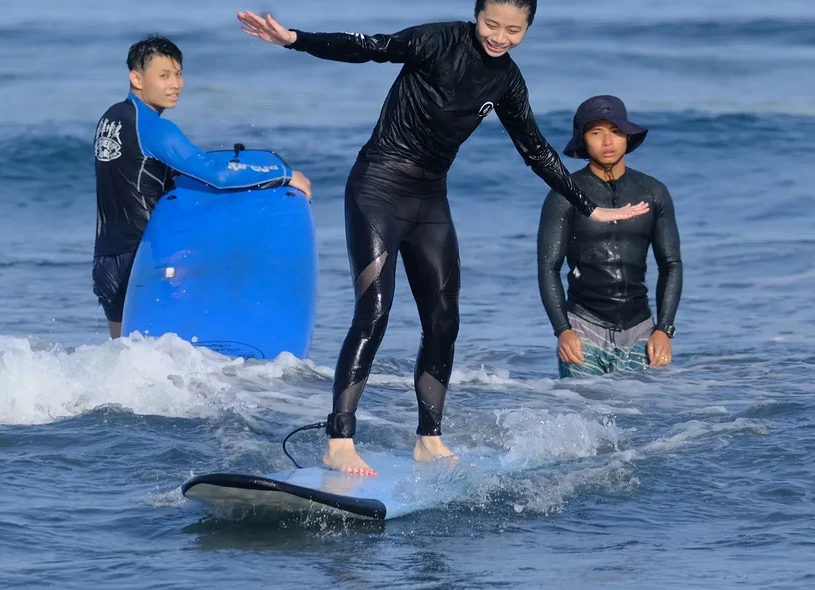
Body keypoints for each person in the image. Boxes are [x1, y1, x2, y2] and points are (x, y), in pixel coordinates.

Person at [237, 1, 651, 476]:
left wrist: (589, 205)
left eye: (513, 30)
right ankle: (339, 439)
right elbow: (372, 47)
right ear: (476, 14)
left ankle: (429, 439)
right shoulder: (437, 41)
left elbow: (535, 149)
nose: (499, 36)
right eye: (491, 24)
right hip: (378, 186)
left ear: (528, 28)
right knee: (374, 310)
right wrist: (296, 39)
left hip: (430, 199)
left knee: (444, 318)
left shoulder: (507, 81)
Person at [93, 34, 312, 339]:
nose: (175, 84)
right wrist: (283, 173)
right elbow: (215, 174)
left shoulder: (111, 118)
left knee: (125, 360)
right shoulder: (154, 127)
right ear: (137, 78)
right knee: (169, 359)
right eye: (164, 75)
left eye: (179, 74)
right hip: (145, 259)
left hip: (107, 260)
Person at [537, 95, 683, 379]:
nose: (607, 142)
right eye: (596, 132)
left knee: (642, 421)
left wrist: (664, 330)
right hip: (583, 331)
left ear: (627, 136)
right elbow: (548, 267)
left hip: (642, 332)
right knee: (584, 417)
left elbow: (671, 264)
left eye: (615, 131)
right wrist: (563, 331)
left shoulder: (653, 192)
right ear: (583, 139)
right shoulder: (564, 195)